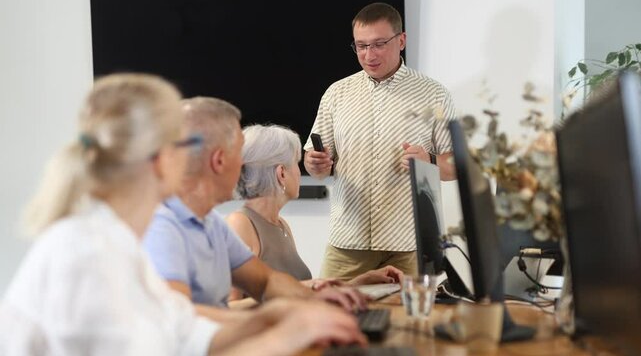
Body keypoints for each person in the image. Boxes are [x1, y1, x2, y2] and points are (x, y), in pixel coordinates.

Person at [0, 74, 366, 355]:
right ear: (162, 157)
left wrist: (284, 320)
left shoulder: (118, 242)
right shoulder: (85, 253)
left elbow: (184, 329)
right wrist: (282, 330)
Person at [143, 97, 368, 318]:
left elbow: (266, 281)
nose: (246, 169)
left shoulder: (210, 223)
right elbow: (182, 321)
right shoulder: (163, 228)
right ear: (220, 160)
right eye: (240, 155)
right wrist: (286, 321)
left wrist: (318, 296)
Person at [303, 2, 458, 280]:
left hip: (409, 245)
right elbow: (317, 166)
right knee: (331, 317)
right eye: (361, 46)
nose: (368, 55)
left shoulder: (434, 95)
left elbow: (457, 166)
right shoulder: (336, 94)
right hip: (347, 242)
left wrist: (429, 161)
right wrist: (315, 163)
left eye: (378, 44)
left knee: (411, 323)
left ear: (401, 41)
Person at [226, 124, 404, 300]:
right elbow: (228, 308)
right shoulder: (240, 225)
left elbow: (300, 293)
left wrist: (359, 283)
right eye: (295, 164)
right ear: (281, 174)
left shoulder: (281, 225)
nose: (299, 172)